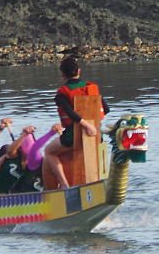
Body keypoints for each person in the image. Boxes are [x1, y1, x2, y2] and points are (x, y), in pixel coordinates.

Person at [42, 56, 109, 189]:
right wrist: (93, 125)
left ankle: (65, 185)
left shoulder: (62, 93)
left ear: (62, 75)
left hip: (74, 135)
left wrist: (86, 126)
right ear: (79, 71)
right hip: (97, 135)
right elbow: (106, 109)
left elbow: (71, 114)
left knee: (49, 151)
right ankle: (100, 184)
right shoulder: (92, 88)